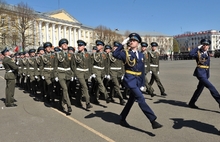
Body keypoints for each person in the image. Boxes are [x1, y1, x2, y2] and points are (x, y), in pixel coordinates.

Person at [112, 33, 162, 129]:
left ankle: (122, 118)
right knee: (141, 99)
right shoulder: (125, 53)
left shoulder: (141, 55)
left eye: (134, 41)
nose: (131, 42)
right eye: (130, 40)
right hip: (130, 80)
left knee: (131, 100)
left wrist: (143, 83)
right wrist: (122, 44)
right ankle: (153, 120)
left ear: (138, 43)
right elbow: (115, 54)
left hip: (138, 81)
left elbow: (142, 71)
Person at [188, 39, 220, 109]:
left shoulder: (207, 53)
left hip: (205, 74)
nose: (205, 46)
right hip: (200, 73)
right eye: (204, 45)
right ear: (202, 45)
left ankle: (191, 102)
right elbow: (190, 54)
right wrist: (197, 47)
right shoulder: (199, 52)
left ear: (209, 46)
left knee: (199, 89)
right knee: (212, 88)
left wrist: (207, 75)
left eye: (207, 45)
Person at [54, 38, 75, 114]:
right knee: (65, 89)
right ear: (60, 46)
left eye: (66, 44)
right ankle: (69, 106)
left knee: (64, 91)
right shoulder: (57, 54)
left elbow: (72, 65)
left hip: (68, 73)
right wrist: (55, 75)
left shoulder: (71, 55)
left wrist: (73, 74)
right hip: (61, 73)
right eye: (63, 44)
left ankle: (61, 104)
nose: (65, 45)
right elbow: (55, 65)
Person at [74, 40, 93, 109]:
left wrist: (90, 73)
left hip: (86, 73)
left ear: (84, 46)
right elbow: (73, 65)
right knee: (85, 87)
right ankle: (88, 103)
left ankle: (77, 101)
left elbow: (90, 64)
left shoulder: (87, 54)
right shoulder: (76, 55)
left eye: (80, 46)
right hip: (79, 73)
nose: (79, 47)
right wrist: (74, 74)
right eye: (78, 45)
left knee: (81, 88)